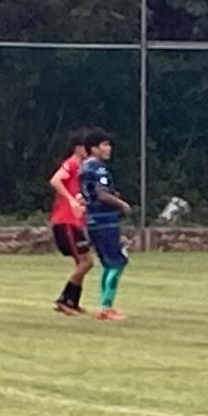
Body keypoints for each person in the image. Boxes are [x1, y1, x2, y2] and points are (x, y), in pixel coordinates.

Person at [79, 129, 132, 321]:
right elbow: (101, 194)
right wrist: (121, 204)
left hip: (93, 221)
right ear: (94, 148)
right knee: (117, 262)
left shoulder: (84, 166)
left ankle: (105, 304)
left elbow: (90, 194)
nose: (109, 149)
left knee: (108, 264)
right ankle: (106, 307)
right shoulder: (98, 168)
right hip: (105, 221)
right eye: (104, 145)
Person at [48, 129, 94, 316]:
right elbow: (55, 181)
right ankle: (63, 299)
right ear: (78, 148)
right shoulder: (72, 163)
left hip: (74, 221)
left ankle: (72, 302)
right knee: (87, 262)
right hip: (66, 221)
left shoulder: (82, 168)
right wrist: (71, 200)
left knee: (81, 262)